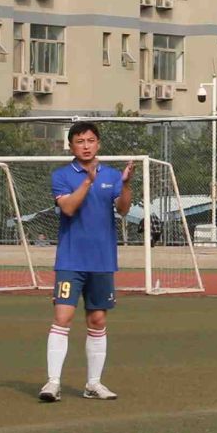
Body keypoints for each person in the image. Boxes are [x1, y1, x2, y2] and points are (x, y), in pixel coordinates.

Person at [40, 121, 134, 402]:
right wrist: (88, 182)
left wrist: (125, 184)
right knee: (63, 317)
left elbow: (123, 209)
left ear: (98, 144)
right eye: (80, 141)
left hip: (102, 260)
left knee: (97, 319)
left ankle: (93, 384)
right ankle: (53, 383)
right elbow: (68, 208)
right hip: (70, 259)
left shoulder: (113, 175)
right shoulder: (61, 176)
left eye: (91, 140)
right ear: (71, 146)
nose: (86, 146)